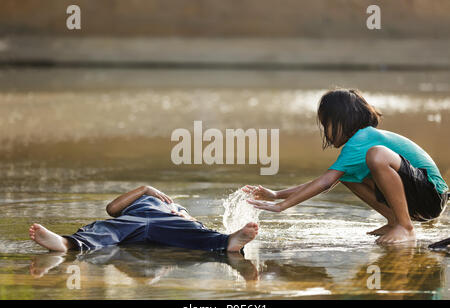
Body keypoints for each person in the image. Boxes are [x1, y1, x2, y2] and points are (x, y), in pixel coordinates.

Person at [245, 88, 449, 244]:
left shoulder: (364, 138)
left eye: (327, 125)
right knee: (346, 175)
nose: (326, 132)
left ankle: (405, 227)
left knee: (377, 155)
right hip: (420, 198)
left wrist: (282, 206)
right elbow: (324, 181)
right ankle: (395, 221)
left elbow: (325, 183)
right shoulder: (357, 145)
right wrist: (276, 194)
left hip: (432, 195)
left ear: (342, 120)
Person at [29, 185, 258, 253]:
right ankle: (66, 243)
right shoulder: (135, 203)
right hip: (134, 221)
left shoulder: (174, 206)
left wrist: (183, 214)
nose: (160, 195)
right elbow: (111, 209)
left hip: (169, 221)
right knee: (103, 229)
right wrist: (144, 189)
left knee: (195, 231)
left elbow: (193, 222)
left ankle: (228, 241)